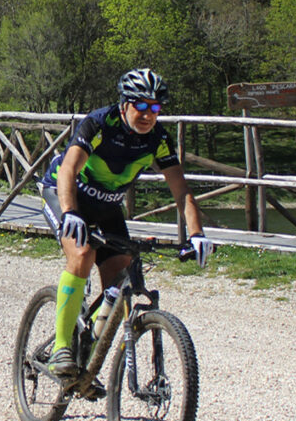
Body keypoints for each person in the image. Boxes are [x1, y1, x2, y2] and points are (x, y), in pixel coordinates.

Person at [38, 68, 215, 378]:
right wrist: (70, 212)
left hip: (106, 206)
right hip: (64, 193)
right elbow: (68, 169)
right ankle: (61, 348)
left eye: (155, 108)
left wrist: (197, 234)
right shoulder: (99, 123)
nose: (148, 114)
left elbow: (181, 190)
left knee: (120, 281)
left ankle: (85, 353)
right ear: (124, 104)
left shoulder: (158, 139)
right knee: (81, 255)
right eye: (141, 105)